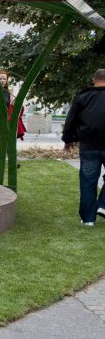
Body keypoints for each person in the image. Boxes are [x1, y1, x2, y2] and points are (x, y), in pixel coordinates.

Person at [62, 68, 105, 227]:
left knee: (88, 180)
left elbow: (71, 119)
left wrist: (68, 139)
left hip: (88, 145)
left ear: (94, 80)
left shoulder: (83, 97)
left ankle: (88, 219)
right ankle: (102, 205)